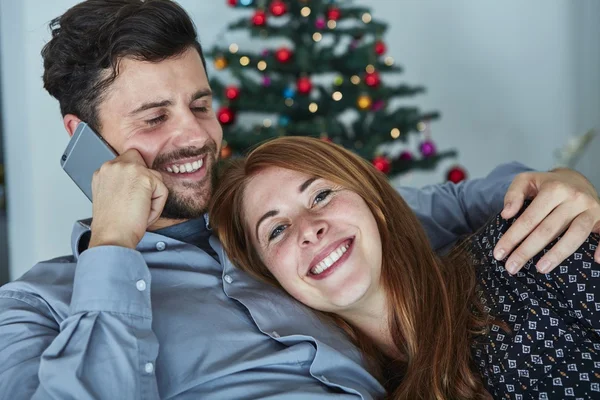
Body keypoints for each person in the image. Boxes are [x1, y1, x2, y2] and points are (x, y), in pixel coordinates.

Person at [0, 0, 599, 398]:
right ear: (84, 139)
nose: (195, 137)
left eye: (201, 105)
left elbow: (447, 207)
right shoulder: (33, 305)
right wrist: (113, 246)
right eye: (154, 117)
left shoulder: (274, 219)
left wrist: (561, 187)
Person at [209, 136, 600, 399]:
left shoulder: (530, 254)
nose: (309, 229)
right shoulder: (363, 389)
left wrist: (568, 180)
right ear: (273, 279)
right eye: (276, 230)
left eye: (321, 195)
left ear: (374, 204)